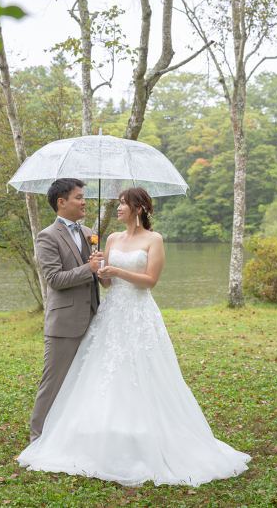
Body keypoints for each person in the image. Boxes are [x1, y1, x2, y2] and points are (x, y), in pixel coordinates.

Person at [18, 187, 251, 486]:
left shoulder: (154, 240)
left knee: (143, 373)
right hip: (111, 314)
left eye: (123, 204)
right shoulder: (110, 238)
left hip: (140, 314)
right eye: (117, 204)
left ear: (138, 208)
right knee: (99, 374)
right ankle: (62, 435)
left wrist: (115, 271)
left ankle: (142, 436)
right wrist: (102, 273)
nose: (118, 209)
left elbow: (150, 281)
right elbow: (104, 283)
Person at [29, 178, 104, 443]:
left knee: (84, 381)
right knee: (53, 383)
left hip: (94, 318)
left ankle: (72, 436)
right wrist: (89, 269)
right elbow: (55, 280)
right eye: (78, 197)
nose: (84, 202)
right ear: (61, 203)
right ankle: (37, 440)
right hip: (65, 322)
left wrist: (101, 268)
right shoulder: (48, 236)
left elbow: (94, 275)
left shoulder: (88, 232)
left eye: (84, 197)